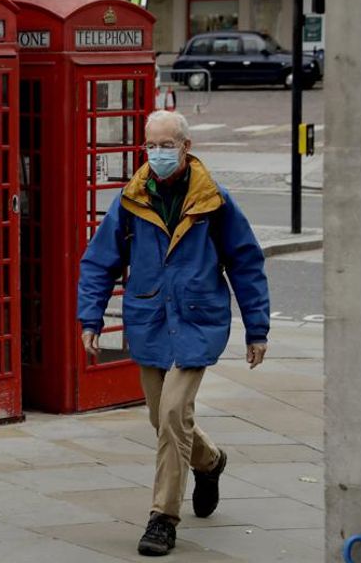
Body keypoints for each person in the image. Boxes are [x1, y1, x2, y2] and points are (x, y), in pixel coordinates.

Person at [77, 110, 270, 556]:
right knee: (161, 418)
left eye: (166, 145)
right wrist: (91, 318)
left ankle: (162, 518)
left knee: (172, 414)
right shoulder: (131, 199)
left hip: (198, 320)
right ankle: (210, 461)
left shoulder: (214, 200)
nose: (157, 153)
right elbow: (99, 261)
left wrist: (256, 329)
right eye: (151, 145)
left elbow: (246, 262)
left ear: (186, 146)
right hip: (150, 319)